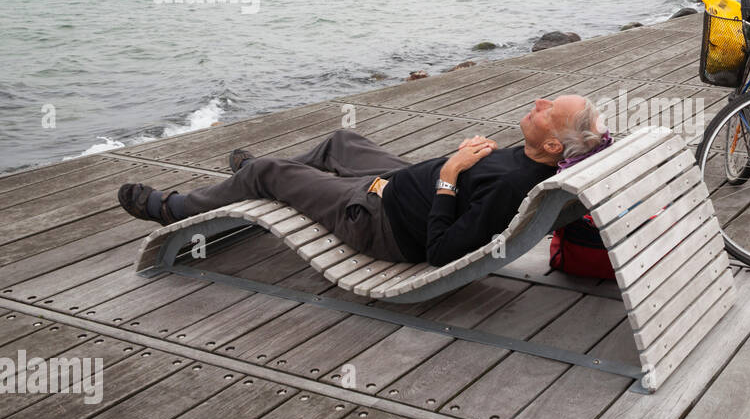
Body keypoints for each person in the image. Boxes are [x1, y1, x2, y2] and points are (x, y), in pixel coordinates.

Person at [118, 95, 608, 267]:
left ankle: (176, 208)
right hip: (396, 184)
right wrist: (453, 169)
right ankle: (256, 179)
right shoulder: (531, 157)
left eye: (550, 111)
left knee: (270, 170)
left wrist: (449, 175)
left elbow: (440, 251)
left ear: (552, 148)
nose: (540, 103)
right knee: (340, 141)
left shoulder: (512, 185)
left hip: (377, 217)